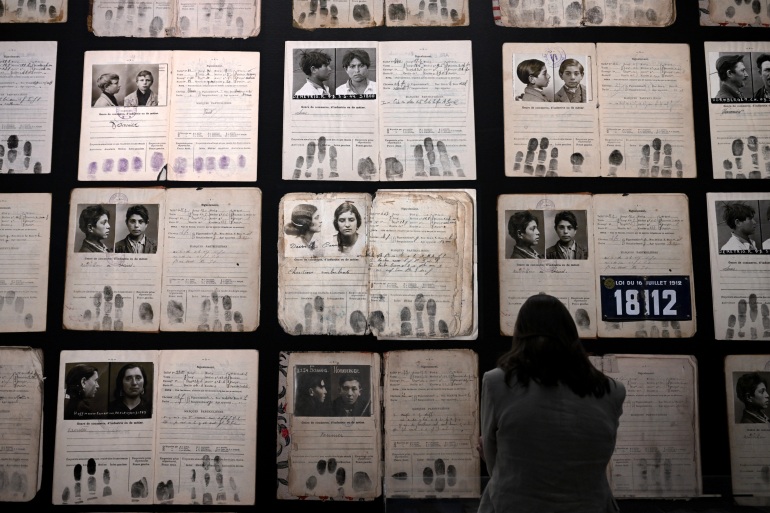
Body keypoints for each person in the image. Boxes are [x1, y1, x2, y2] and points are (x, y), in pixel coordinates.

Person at [478, 294, 625, 513]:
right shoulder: (612, 390)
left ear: (519, 333)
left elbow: (494, 466)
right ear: (571, 334)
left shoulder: (496, 383)